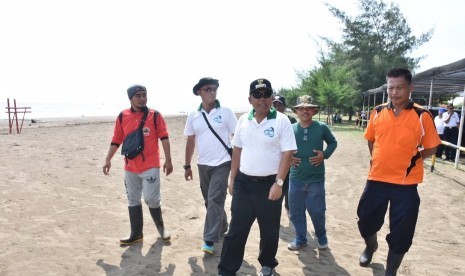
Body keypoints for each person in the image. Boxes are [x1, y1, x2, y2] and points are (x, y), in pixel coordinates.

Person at [357, 68, 441, 276]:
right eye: (391, 88)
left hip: (406, 184)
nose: (394, 93)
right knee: (365, 220)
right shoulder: (377, 112)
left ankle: (390, 271)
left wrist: (414, 160)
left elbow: (431, 147)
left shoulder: (422, 115)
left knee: (402, 231)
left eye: (399, 88)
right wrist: (377, 159)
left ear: (410, 88)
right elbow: (371, 139)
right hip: (376, 179)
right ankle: (371, 246)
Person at [218, 78, 297, 276]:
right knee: (236, 230)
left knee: (269, 231)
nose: (263, 99)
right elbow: (237, 150)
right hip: (244, 184)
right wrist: (232, 179)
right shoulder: (244, 120)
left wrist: (279, 183)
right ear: (250, 99)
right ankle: (227, 270)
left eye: (266, 95)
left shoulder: (281, 120)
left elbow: (288, 154)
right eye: (258, 95)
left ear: (272, 97)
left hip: (270, 184)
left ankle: (267, 263)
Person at [103, 84, 173, 245]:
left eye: (144, 95)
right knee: (133, 199)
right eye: (138, 96)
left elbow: (164, 137)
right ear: (131, 98)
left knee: (151, 199)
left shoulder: (155, 115)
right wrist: (108, 159)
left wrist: (168, 160)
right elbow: (116, 139)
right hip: (130, 167)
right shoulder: (122, 116)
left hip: (150, 166)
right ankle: (136, 234)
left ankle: (161, 229)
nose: (142, 98)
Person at [183, 77, 237, 254]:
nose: (212, 92)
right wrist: (187, 165)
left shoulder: (227, 112)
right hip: (202, 164)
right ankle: (222, 226)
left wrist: (239, 163)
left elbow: (237, 138)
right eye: (208, 89)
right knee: (210, 201)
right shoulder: (193, 115)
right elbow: (191, 141)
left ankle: (209, 240)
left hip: (223, 162)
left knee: (215, 198)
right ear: (199, 92)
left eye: (214, 89)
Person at [287, 95, 337, 251]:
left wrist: (324, 154)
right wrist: (288, 158)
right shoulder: (291, 129)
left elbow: (333, 142)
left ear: (314, 111)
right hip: (295, 178)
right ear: (296, 111)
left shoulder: (321, 127)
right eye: (301, 108)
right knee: (295, 212)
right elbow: (282, 147)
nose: (305, 111)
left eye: (308, 108)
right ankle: (301, 238)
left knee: (317, 211)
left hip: (315, 179)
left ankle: (321, 236)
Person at [272, 95, 297, 217]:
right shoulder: (269, 120)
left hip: (288, 158)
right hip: (274, 160)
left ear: (284, 106)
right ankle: (275, 209)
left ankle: (288, 207)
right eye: (274, 104)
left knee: (287, 185)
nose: (276, 107)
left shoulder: (291, 120)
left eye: (279, 105)